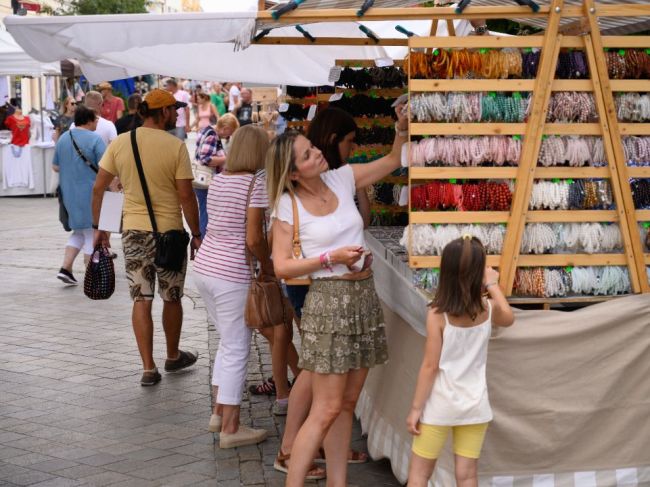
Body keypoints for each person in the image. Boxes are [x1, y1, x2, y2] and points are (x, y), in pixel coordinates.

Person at [266, 99, 407, 487]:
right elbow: (281, 265)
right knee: (326, 408)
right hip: (328, 302)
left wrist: (400, 127)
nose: (317, 153)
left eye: (313, 149)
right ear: (293, 173)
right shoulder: (287, 204)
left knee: (347, 404)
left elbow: (394, 159)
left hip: (362, 296)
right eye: (308, 155)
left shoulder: (342, 178)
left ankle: (337, 482)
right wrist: (331, 258)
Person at [91, 88, 201, 386]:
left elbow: (99, 187)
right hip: (170, 233)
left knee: (141, 298)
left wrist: (100, 227)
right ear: (163, 112)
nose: (177, 113)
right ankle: (173, 354)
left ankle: (148, 368)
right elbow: (186, 197)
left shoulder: (121, 143)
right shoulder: (175, 146)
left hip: (134, 231)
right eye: (174, 109)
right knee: (172, 297)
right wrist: (197, 233)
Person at [406, 237, 515, 487]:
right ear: (480, 273)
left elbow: (430, 366)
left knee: (420, 473)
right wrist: (493, 284)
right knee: (467, 475)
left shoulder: (438, 314)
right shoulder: (487, 309)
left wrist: (415, 409)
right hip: (475, 405)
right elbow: (508, 318)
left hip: (439, 405)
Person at [193, 125, 271, 449]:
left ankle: (218, 412)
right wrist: (268, 266)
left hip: (205, 267)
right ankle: (231, 426)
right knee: (238, 347)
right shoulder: (257, 183)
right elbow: (254, 238)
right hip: (231, 273)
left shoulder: (221, 178)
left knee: (228, 342)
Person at [54, 105, 106, 285]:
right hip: (91, 193)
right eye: (96, 120)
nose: (97, 123)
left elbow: (55, 166)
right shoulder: (95, 139)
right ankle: (92, 276)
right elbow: (106, 167)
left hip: (68, 193)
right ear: (89, 120)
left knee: (79, 232)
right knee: (93, 232)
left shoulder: (63, 138)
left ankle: (65, 269)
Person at [193, 114, 228, 239]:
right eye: (230, 131)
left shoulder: (207, 129)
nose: (229, 135)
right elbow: (206, 159)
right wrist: (226, 158)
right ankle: (203, 240)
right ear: (225, 127)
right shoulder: (212, 135)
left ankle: (203, 239)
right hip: (205, 180)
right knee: (206, 212)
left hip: (200, 179)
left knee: (204, 210)